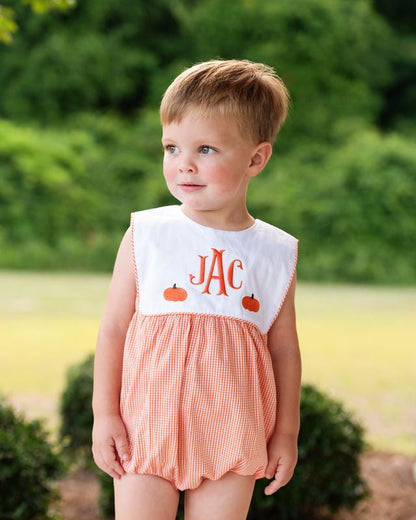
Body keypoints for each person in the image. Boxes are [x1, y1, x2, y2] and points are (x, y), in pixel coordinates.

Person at [92, 59, 302, 520]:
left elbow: (283, 349)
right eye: (171, 147)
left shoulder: (274, 251)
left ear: (255, 158)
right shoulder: (147, 233)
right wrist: (104, 414)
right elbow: (114, 328)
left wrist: (285, 432)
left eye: (205, 149)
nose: (183, 163)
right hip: (146, 425)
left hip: (234, 429)